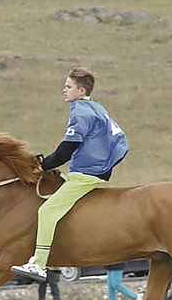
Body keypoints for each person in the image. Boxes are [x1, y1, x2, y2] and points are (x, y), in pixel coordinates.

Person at [11, 67, 130, 280]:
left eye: (68, 86)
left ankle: (39, 264)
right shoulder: (96, 108)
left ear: (81, 91)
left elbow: (67, 148)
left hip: (87, 172)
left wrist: (44, 165)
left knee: (47, 211)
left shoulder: (80, 111)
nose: (64, 90)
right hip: (97, 169)